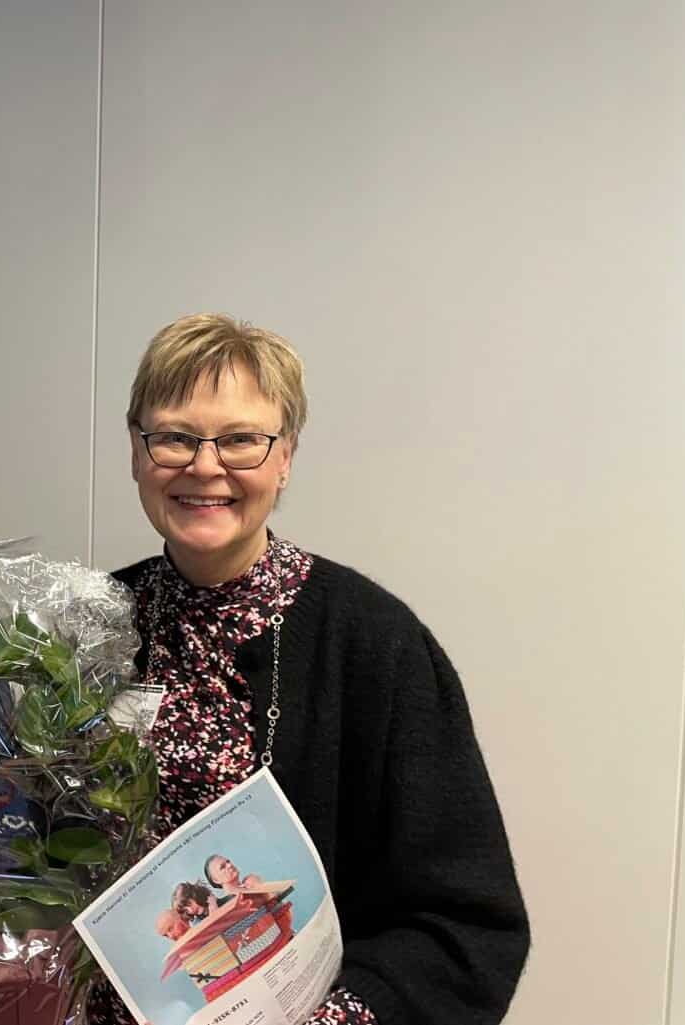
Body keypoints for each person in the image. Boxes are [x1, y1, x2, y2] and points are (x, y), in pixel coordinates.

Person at [89, 314, 529, 1025]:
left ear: (286, 456)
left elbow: (466, 927)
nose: (204, 466)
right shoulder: (90, 629)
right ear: (137, 451)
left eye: (241, 439)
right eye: (174, 436)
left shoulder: (374, 642)